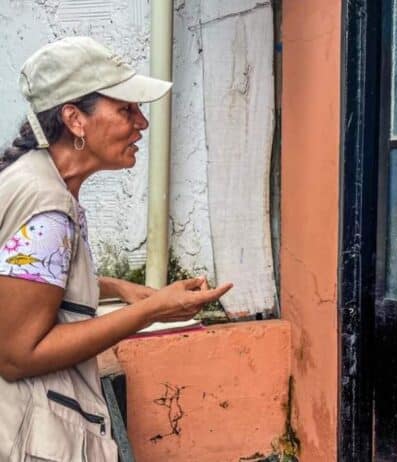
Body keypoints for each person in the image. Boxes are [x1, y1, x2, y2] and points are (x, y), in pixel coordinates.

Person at [0, 36, 232, 461]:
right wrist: (151, 311)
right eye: (126, 109)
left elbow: (28, 280)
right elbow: (17, 355)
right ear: (75, 119)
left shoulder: (38, 183)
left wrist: (117, 288)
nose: (142, 123)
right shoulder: (48, 205)